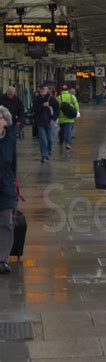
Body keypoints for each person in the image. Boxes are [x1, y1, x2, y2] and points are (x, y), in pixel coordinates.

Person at [0, 106, 17, 274]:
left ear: (5, 121)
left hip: (6, 186)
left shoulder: (10, 139)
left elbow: (14, 165)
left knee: (6, 223)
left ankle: (2, 259)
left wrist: (14, 185)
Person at [32, 84, 60, 163]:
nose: (42, 90)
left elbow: (57, 110)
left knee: (50, 139)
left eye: (43, 89)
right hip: (40, 122)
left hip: (50, 122)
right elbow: (34, 109)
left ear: (47, 89)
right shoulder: (36, 99)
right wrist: (43, 106)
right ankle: (44, 155)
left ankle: (48, 151)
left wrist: (53, 119)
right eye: (40, 89)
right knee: (42, 139)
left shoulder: (52, 99)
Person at [57, 85, 80, 150]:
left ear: (61, 90)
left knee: (62, 130)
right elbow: (76, 106)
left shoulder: (58, 98)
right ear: (67, 90)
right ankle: (68, 143)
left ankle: (61, 141)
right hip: (70, 117)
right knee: (68, 131)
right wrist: (76, 113)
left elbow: (56, 108)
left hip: (61, 118)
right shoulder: (72, 97)